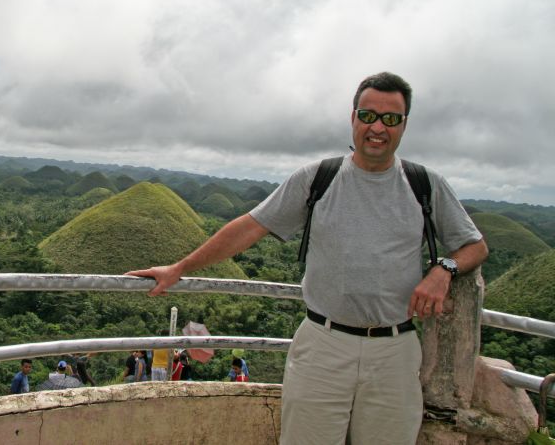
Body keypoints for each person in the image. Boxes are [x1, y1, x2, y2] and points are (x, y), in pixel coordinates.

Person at [127, 72, 488, 445]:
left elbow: (475, 245)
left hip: (394, 351)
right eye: (368, 115)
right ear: (353, 118)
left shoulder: (424, 185)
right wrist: (180, 268)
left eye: (390, 118)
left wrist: (444, 269)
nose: (377, 127)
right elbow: (250, 227)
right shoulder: (319, 178)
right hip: (324, 344)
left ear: (404, 125)